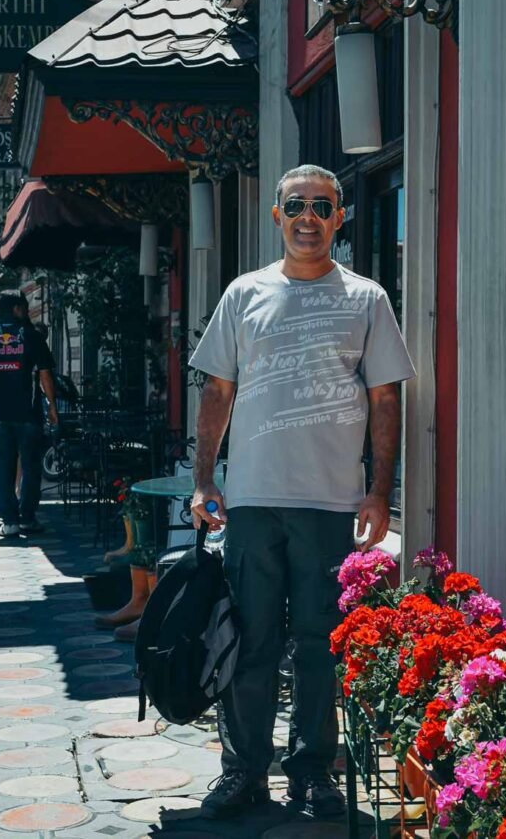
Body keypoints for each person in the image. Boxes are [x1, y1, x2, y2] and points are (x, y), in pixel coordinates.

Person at [189, 164, 416, 820]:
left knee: (319, 643)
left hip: (330, 503)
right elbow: (217, 391)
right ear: (276, 215)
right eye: (296, 206)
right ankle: (243, 771)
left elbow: (384, 397)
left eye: (322, 205)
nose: (308, 217)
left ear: (340, 217)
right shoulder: (243, 294)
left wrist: (378, 490)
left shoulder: (366, 298)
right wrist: (206, 478)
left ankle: (311, 771)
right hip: (254, 499)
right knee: (251, 641)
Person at [0, 290, 58, 537]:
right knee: (30, 466)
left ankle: (9, 522)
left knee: (1, 467)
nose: (27, 312)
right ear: (16, 309)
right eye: (24, 307)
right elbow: (45, 374)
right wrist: (52, 405)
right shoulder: (31, 337)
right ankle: (27, 518)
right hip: (29, 414)